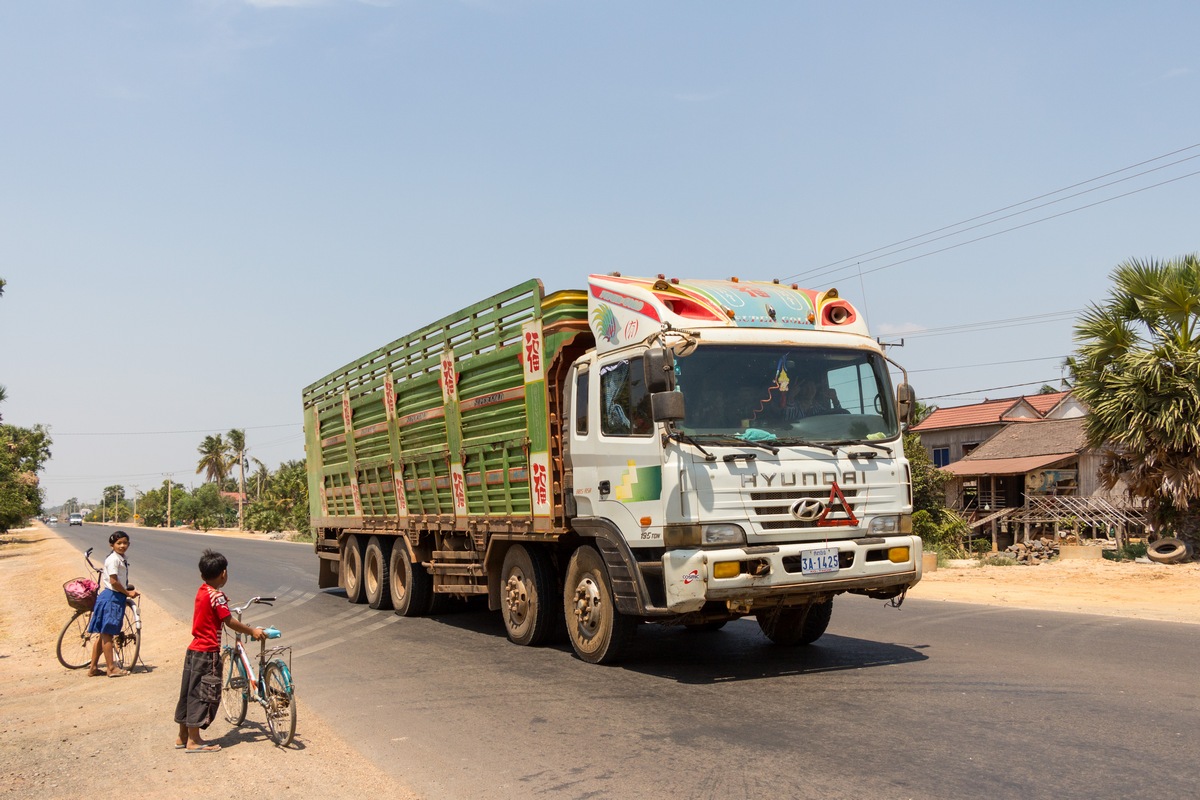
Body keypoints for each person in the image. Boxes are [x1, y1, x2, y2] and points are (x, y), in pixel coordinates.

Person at [174, 549, 266, 753]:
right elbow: (229, 621)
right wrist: (253, 630)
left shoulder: (203, 591)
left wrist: (221, 597)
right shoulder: (217, 597)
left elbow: (213, 602)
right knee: (203, 694)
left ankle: (182, 736)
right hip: (208, 652)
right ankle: (194, 741)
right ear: (224, 573)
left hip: (194, 651)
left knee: (189, 692)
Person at [87, 530, 139, 678]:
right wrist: (128, 593)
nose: (122, 546)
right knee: (107, 635)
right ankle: (111, 668)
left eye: (125, 543)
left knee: (102, 635)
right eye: (119, 543)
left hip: (111, 597)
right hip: (112, 598)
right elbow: (114, 581)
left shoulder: (120, 558)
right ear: (112, 545)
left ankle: (93, 668)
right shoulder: (114, 560)